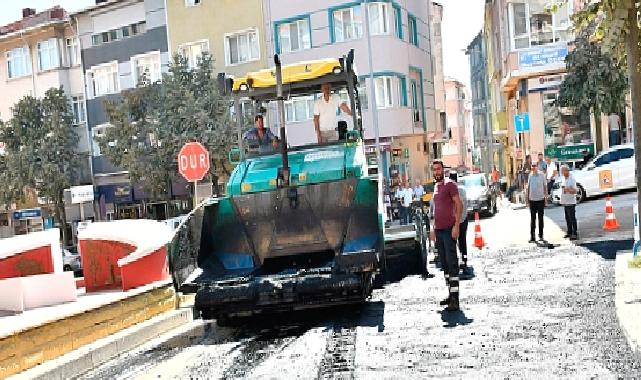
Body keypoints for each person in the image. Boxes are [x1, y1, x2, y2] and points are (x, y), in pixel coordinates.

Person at [429, 161, 463, 311]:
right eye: (434, 170)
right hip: (439, 231)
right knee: (444, 264)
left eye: (439, 169)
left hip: (449, 230)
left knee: (452, 262)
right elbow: (434, 209)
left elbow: (459, 204)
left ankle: (455, 299)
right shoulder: (436, 187)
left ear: (443, 170)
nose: (437, 172)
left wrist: (456, 226)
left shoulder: (450, 185)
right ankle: (450, 294)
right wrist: (432, 229)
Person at [449, 171, 470, 273]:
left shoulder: (450, 190)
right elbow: (466, 204)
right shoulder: (463, 190)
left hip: (454, 221)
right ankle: (464, 259)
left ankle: (455, 262)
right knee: (463, 241)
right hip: (464, 219)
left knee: (453, 242)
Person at [526, 162, 547, 243]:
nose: (533, 168)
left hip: (540, 199)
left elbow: (545, 187)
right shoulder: (530, 175)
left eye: (534, 166)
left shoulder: (542, 175)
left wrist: (545, 198)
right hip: (532, 200)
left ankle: (541, 236)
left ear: (537, 167)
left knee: (540, 219)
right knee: (533, 219)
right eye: (532, 166)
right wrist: (527, 199)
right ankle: (532, 236)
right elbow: (528, 188)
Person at [560, 165, 579, 240]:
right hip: (565, 201)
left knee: (572, 218)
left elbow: (575, 191)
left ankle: (575, 233)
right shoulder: (564, 179)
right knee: (567, 218)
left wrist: (567, 190)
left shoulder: (572, 179)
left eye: (563, 171)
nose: (562, 173)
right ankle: (569, 232)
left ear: (566, 171)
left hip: (571, 202)